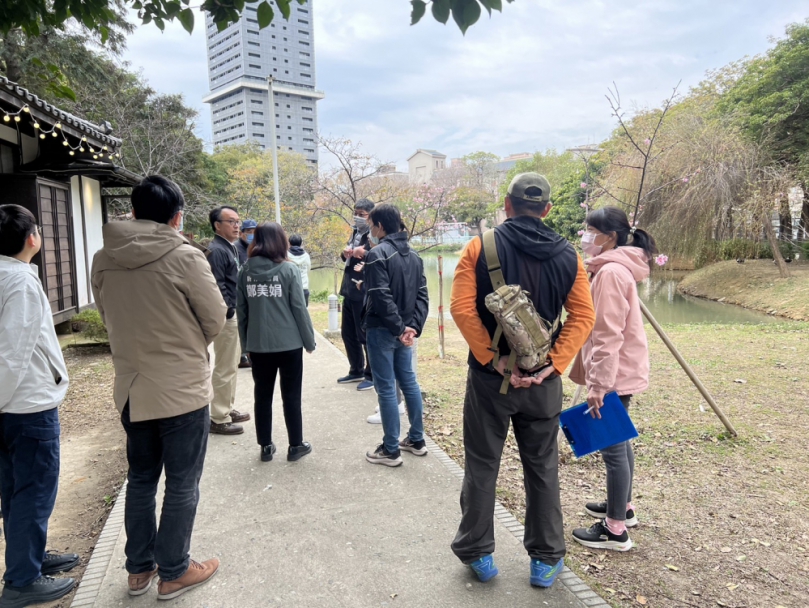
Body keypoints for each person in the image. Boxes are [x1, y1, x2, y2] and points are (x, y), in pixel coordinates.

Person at [449, 173, 595, 588]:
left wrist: (493, 360)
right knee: (543, 467)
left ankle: (478, 553)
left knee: (482, 464)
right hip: (543, 383)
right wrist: (555, 363)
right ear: (547, 210)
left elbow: (462, 309)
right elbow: (584, 316)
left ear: (507, 205)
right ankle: (546, 560)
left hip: (490, 382)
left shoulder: (480, 247)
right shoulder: (570, 255)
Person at [91, 176, 226, 600]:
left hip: (132, 387)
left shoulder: (102, 258)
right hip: (181, 387)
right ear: (177, 215)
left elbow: (107, 311)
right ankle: (174, 571)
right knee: (183, 482)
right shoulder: (185, 256)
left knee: (141, 478)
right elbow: (215, 318)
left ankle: (138, 570)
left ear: (133, 211)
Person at [0, 205, 78, 607]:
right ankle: (21, 580)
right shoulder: (20, 282)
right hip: (25, 404)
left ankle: (29, 558)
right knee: (34, 490)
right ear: (32, 238)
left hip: (11, 406)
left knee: (15, 491)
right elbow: (13, 352)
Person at [568, 207, 657, 552]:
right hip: (623, 367)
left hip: (614, 373)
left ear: (611, 237)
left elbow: (607, 334)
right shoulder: (616, 269)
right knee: (620, 440)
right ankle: (625, 506)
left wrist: (599, 384)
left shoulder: (609, 274)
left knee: (612, 448)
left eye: (591, 231)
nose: (585, 237)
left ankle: (615, 530)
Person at [237, 223, 316, 463]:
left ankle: (266, 447)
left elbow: (242, 311)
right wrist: (309, 341)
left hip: (259, 345)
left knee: (262, 395)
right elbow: (299, 309)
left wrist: (245, 346)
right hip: (289, 344)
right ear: (280, 241)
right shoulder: (288, 270)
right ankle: (295, 446)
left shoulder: (245, 271)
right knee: (291, 395)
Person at [362, 204, 429, 467]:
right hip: (404, 332)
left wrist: (401, 329)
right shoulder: (414, 256)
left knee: (387, 387)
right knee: (409, 382)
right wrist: (411, 327)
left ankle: (391, 449)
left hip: (383, 330)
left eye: (371, 226)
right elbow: (423, 295)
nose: (370, 230)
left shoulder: (377, 254)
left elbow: (380, 295)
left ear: (380, 226)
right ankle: (416, 439)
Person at [207, 206, 250, 434]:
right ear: (217, 225)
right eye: (231, 221)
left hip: (232, 313)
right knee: (225, 366)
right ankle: (218, 417)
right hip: (226, 316)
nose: (236, 225)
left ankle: (226, 408)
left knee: (232, 364)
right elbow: (218, 284)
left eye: (237, 221)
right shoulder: (216, 250)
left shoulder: (228, 247)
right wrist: (230, 310)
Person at [337, 199, 374, 391]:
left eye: (362, 214)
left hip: (362, 289)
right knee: (348, 332)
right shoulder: (355, 232)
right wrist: (346, 252)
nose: (357, 217)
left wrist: (363, 252)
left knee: (364, 334)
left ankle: (371, 374)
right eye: (356, 213)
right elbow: (346, 257)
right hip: (349, 290)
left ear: (370, 216)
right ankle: (356, 369)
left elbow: (377, 256)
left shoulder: (374, 235)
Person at [236, 220, 257, 369]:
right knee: (243, 321)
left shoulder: (256, 248)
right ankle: (244, 353)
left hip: (255, 291)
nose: (251, 235)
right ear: (241, 233)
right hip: (241, 291)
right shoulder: (236, 249)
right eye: (248, 232)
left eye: (254, 232)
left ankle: (247, 353)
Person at [287, 234, 312, 306]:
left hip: (290, 288)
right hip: (304, 287)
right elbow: (308, 269)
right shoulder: (306, 255)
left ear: (289, 243)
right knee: (304, 312)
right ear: (301, 243)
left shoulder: (286, 255)